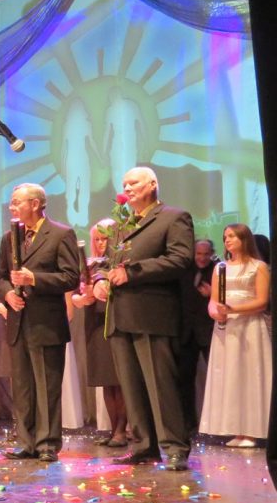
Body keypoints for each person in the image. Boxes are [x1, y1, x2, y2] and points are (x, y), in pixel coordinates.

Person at [94, 166, 194, 470]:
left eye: (134, 182)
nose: (127, 187)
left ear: (152, 184)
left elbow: (180, 259)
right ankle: (143, 446)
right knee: (131, 386)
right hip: (120, 315)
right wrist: (100, 280)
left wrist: (132, 273)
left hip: (153, 315)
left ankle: (175, 446)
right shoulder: (120, 225)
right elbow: (106, 263)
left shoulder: (174, 217)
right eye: (124, 183)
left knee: (161, 385)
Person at [0, 183, 79, 462]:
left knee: (47, 387)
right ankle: (26, 442)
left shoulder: (61, 234)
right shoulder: (10, 237)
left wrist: (35, 279)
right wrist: (7, 294)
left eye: (17, 202)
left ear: (35, 204)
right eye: (11, 202)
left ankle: (47, 444)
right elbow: (0, 277)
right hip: (18, 322)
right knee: (23, 388)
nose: (12, 207)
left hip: (47, 324)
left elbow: (71, 278)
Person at [199, 224, 272, 447]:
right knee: (230, 374)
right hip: (226, 328)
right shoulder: (220, 268)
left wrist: (233, 310)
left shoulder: (258, 267)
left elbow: (262, 301)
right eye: (225, 237)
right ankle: (237, 430)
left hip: (250, 327)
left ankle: (252, 431)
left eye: (232, 236)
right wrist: (216, 313)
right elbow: (213, 300)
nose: (227, 240)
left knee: (250, 373)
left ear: (244, 239)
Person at [70, 220, 128, 447]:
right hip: (95, 324)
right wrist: (84, 297)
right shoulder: (89, 265)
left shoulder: (121, 265)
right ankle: (114, 430)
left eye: (105, 239)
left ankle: (121, 431)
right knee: (106, 381)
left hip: (117, 323)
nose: (101, 243)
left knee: (120, 381)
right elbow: (76, 297)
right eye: (97, 239)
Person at [177, 238, 217, 434]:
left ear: (212, 254)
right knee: (185, 379)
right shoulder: (184, 270)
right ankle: (188, 422)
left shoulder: (217, 270)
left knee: (217, 377)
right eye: (198, 254)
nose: (202, 258)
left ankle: (217, 423)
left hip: (210, 333)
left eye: (206, 254)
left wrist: (212, 294)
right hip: (187, 334)